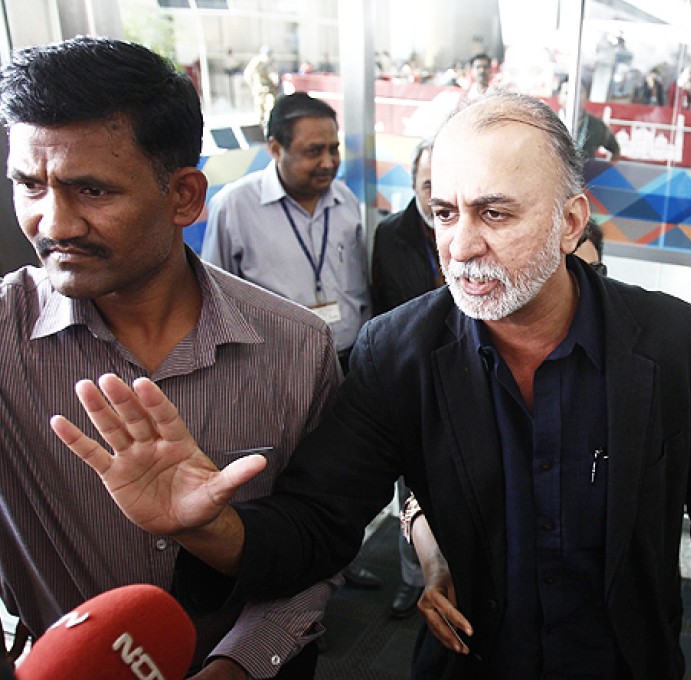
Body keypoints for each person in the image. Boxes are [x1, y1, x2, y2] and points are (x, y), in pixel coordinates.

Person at [54, 92, 691, 679]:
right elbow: (318, 526)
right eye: (444, 211)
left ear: (572, 223)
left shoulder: (677, 342)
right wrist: (204, 524)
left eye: (495, 213)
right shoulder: (397, 352)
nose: (461, 245)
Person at [0, 36, 340, 679]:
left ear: (184, 196)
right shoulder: (3, 337)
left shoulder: (297, 348)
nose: (54, 223)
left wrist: (236, 667)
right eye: (28, 185)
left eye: (92, 191)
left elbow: (320, 544)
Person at [202, 92, 372, 376]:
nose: (329, 163)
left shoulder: (346, 201)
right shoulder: (234, 207)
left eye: (334, 149)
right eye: (314, 151)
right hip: (276, 370)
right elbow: (214, 301)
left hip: (350, 361)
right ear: (276, 149)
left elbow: (361, 290)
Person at [370, 138, 440, 617]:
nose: (437, 196)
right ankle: (412, 581)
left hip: (471, 376)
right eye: (427, 184)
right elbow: (389, 309)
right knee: (409, 490)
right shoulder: (391, 234)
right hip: (411, 379)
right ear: (413, 184)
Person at [557, 80, 621, 162]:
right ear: (559, 98)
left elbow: (615, 151)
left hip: (586, 174)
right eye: (567, 93)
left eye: (579, 92)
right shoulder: (550, 123)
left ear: (586, 96)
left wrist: (605, 172)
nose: (574, 96)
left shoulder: (597, 125)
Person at [243, 45, 279, 127]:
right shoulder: (257, 61)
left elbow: (274, 75)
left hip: (269, 90)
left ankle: (269, 125)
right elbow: (248, 74)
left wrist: (275, 82)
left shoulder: (271, 62)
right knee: (260, 111)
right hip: (259, 90)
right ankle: (262, 128)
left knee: (270, 107)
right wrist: (252, 85)